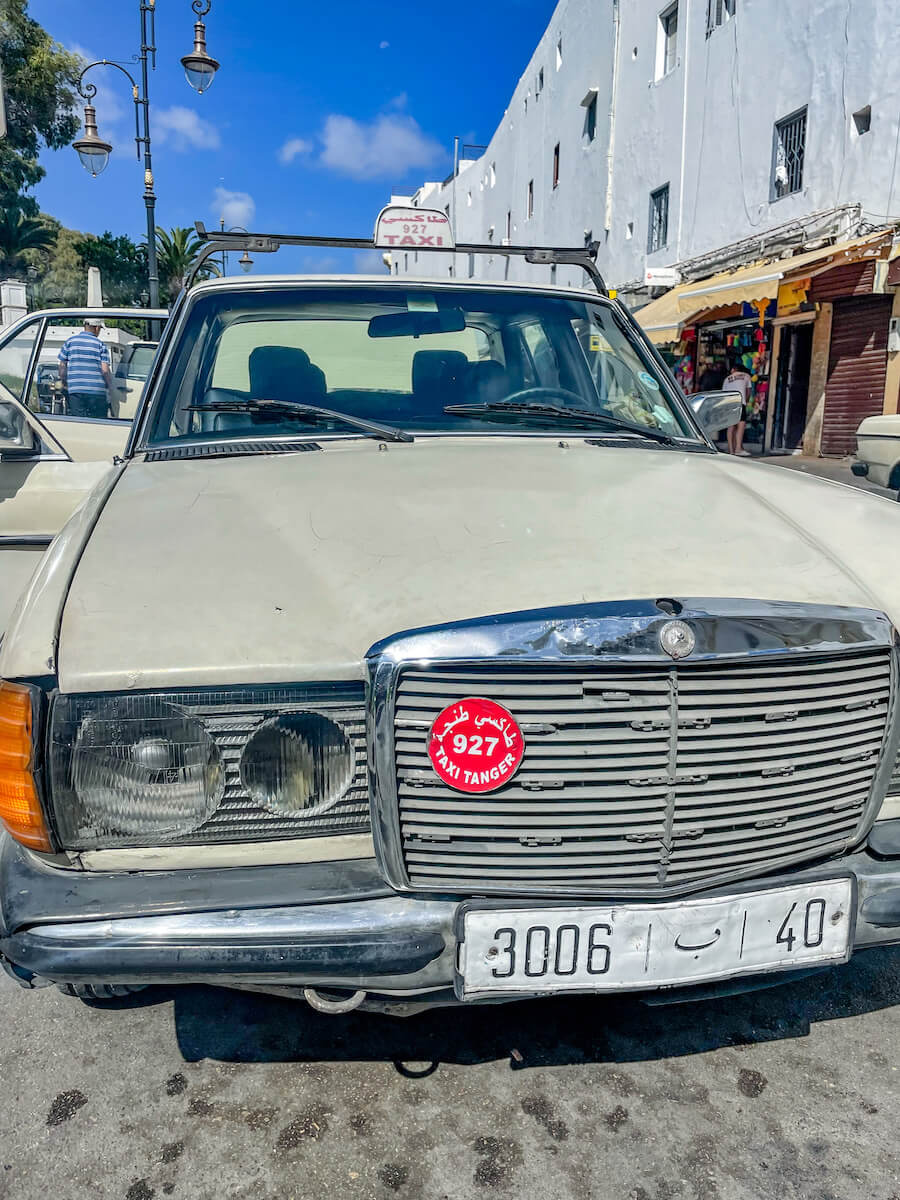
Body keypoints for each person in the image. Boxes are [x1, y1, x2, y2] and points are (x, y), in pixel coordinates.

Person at [58, 318, 111, 418]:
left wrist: (64, 381)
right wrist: (109, 386)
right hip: (97, 392)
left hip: (75, 390)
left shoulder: (70, 342)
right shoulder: (100, 345)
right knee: (98, 423)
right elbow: (105, 370)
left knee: (79, 422)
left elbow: (62, 367)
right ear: (96, 328)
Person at [722, 353, 752, 456]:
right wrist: (746, 401)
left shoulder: (727, 379)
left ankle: (731, 450)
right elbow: (748, 391)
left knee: (731, 426)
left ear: (734, 369)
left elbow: (724, 394)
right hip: (740, 402)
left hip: (729, 403)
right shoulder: (746, 376)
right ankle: (738, 448)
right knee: (741, 425)